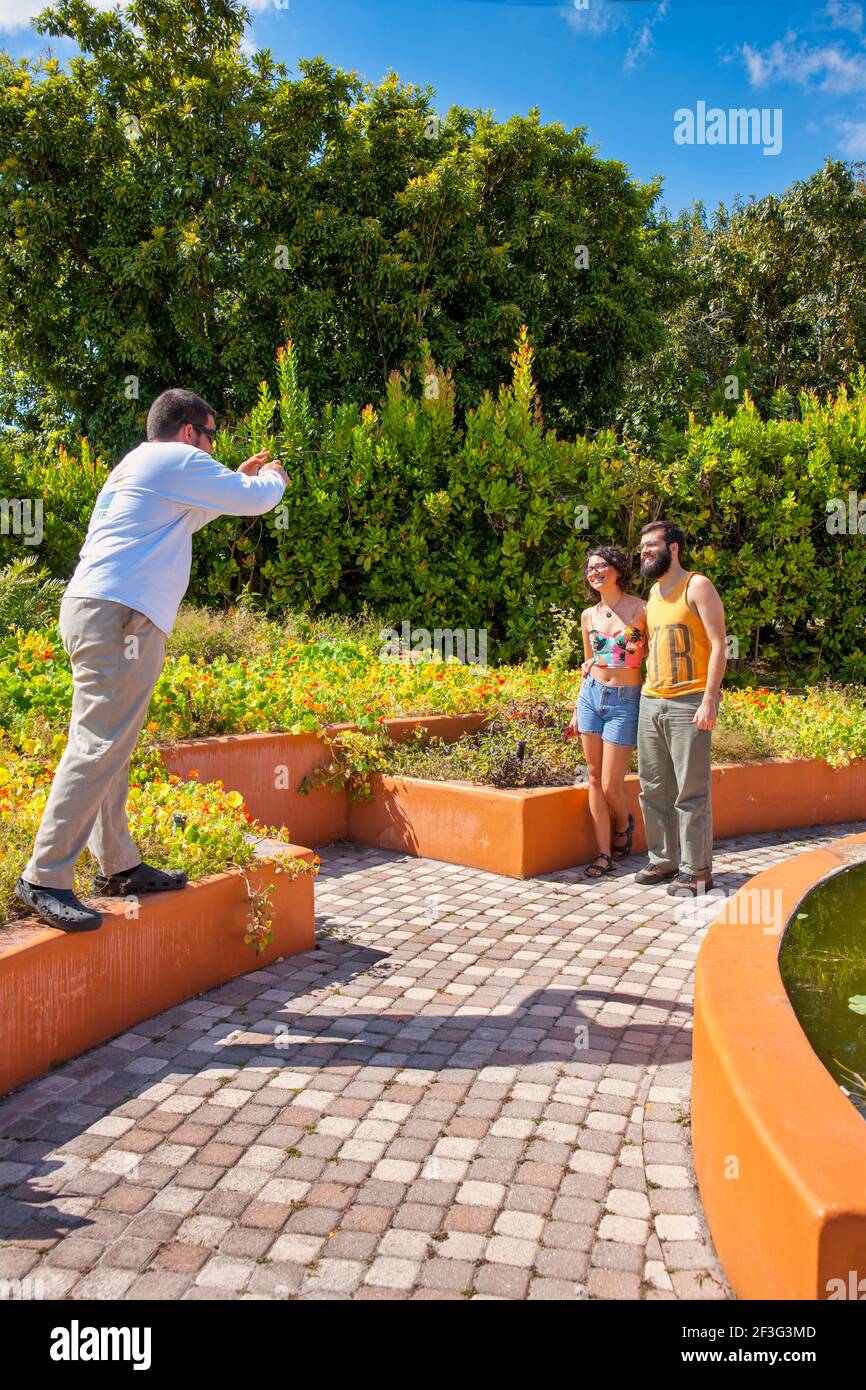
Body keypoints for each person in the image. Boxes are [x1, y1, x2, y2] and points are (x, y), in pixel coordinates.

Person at [16, 388, 289, 932]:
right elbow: (255, 500)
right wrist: (274, 478)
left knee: (107, 741)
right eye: (212, 436)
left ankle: (118, 865)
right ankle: (43, 876)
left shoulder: (142, 465)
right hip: (119, 616)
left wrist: (233, 475)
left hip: (99, 610)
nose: (213, 446)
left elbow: (199, 512)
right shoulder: (175, 459)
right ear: (189, 431)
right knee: (98, 744)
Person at [635, 520, 727, 897]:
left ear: (673, 548)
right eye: (642, 547)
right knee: (653, 788)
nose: (644, 552)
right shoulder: (654, 594)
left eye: (651, 545)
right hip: (650, 700)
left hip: (689, 702)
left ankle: (697, 871)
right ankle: (663, 860)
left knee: (690, 792)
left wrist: (710, 698)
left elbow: (719, 645)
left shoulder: (697, 585)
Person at [567, 545, 646, 878]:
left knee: (613, 784)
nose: (594, 572)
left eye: (600, 566)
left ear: (617, 569)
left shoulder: (641, 609)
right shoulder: (588, 616)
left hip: (625, 700)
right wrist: (576, 707)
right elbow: (588, 663)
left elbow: (654, 657)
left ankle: (624, 823)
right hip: (592, 697)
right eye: (590, 569)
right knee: (594, 779)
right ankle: (603, 854)